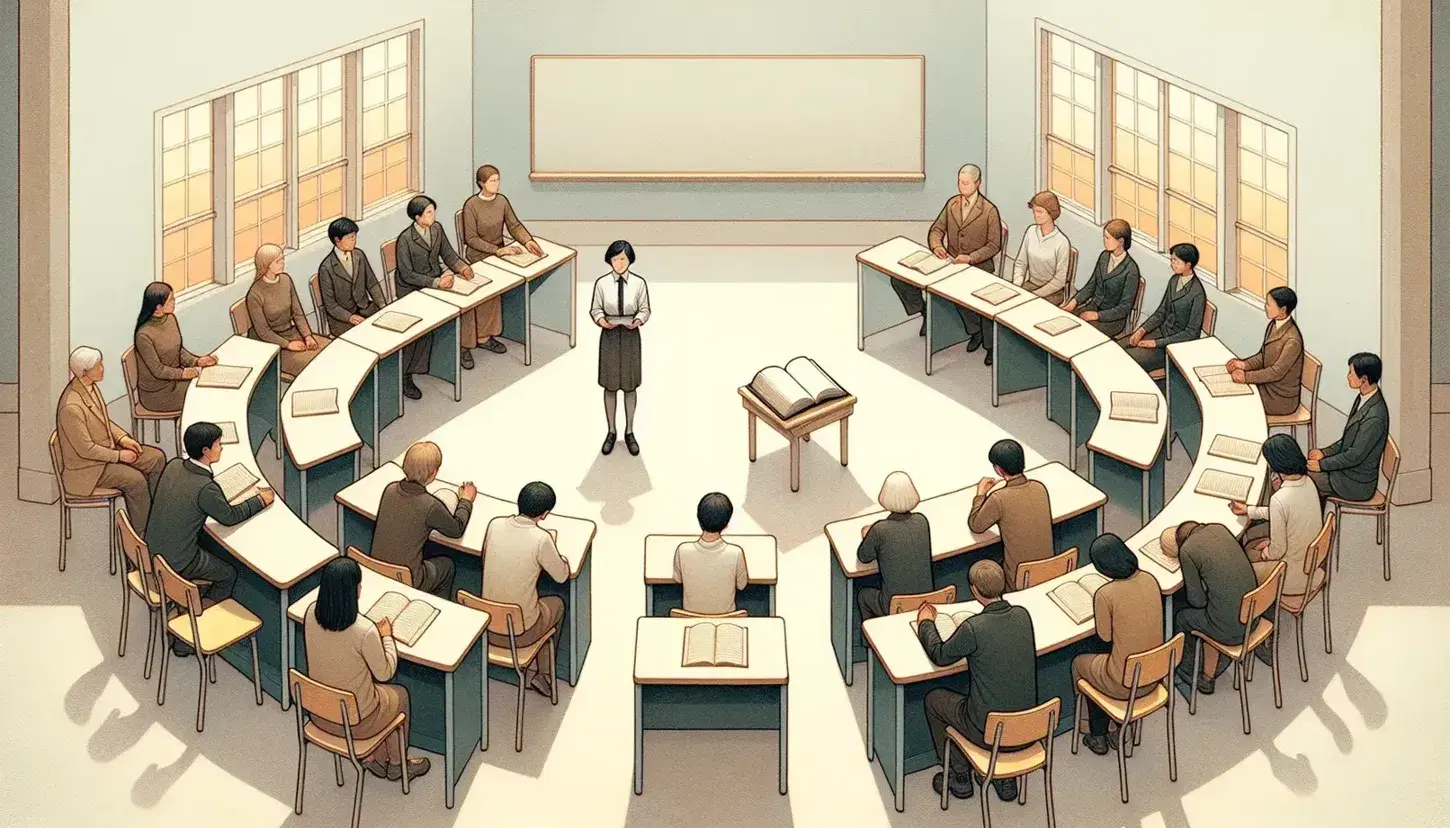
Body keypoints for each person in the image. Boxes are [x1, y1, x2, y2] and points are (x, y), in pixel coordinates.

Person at [145, 421, 273, 655]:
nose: (221, 448)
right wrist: (260, 500)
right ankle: (191, 630)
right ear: (205, 451)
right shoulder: (205, 487)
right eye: (218, 444)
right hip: (179, 561)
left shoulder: (174, 465)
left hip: (154, 551)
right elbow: (230, 516)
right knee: (228, 574)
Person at [916, 560, 1037, 801]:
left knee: (934, 700)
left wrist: (926, 623)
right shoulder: (1023, 615)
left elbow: (940, 655)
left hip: (988, 731)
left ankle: (958, 776)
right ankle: (1005, 780)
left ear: (974, 590)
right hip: (1028, 727)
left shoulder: (974, 628)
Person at [304, 557, 430, 782]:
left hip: (319, 713)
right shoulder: (364, 631)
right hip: (354, 723)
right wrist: (387, 636)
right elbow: (385, 671)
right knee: (398, 696)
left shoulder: (311, 613)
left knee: (371, 693)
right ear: (354, 591)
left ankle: (375, 757)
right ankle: (398, 764)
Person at [1230, 434, 1321, 664]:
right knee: (1252, 540)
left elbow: (1277, 551)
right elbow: (1283, 513)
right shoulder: (1308, 483)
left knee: (1243, 567)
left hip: (1291, 574)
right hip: (1309, 565)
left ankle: (1260, 634)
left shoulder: (1281, 499)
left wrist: (1263, 552)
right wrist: (1250, 510)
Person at [1071, 534, 1164, 755]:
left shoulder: (1105, 594)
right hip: (1155, 673)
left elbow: (1104, 636)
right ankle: (1114, 728)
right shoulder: (1150, 579)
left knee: (1080, 664)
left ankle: (1096, 732)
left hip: (1125, 683)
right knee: (1103, 659)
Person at [55, 347, 166, 530]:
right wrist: (119, 456)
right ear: (84, 372)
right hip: (89, 470)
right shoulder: (71, 407)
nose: (102, 368)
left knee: (156, 458)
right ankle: (143, 535)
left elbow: (104, 421)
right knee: (135, 480)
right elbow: (86, 450)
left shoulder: (90, 387)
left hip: (107, 452)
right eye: (98, 366)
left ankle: (156, 518)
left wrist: (122, 438)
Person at [481, 481, 570, 697]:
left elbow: (484, 559)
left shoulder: (494, 524)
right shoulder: (541, 539)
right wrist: (563, 560)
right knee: (557, 604)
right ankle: (543, 675)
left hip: (485, 627)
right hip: (517, 634)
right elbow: (561, 576)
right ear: (545, 515)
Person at [915, 164, 1004, 363]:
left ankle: (990, 345)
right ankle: (974, 331)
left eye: (966, 183)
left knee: (978, 300)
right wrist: (937, 246)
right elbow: (936, 230)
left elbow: (994, 245)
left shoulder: (989, 211)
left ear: (977, 183)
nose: (961, 186)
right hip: (952, 263)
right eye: (959, 182)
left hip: (979, 267)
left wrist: (971, 258)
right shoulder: (952, 204)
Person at [394, 195, 478, 399]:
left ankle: (460, 349)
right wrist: (436, 283)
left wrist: (462, 267)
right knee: (423, 329)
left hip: (435, 282)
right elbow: (407, 274)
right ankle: (406, 375)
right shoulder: (405, 239)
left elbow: (448, 253)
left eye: (433, 211)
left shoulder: (437, 228)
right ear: (417, 217)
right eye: (429, 212)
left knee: (465, 304)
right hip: (412, 289)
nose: (433, 215)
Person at [1159, 521, 1257, 694]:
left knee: (1182, 618)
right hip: (1252, 617)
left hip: (1230, 630)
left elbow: (1197, 601)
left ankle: (1190, 672)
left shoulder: (1187, 550)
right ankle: (1207, 670)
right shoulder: (1219, 528)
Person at [371, 441, 473, 600]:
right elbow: (456, 529)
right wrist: (466, 500)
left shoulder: (390, 489)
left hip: (376, 568)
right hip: (407, 578)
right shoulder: (430, 505)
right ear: (434, 473)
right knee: (447, 566)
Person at [460, 164, 541, 355]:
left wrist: (528, 241)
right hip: (479, 257)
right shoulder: (471, 206)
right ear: (481, 183)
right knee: (484, 293)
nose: (496, 184)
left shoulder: (502, 201)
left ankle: (486, 336)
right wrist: (497, 251)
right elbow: (471, 239)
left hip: (500, 253)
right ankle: (470, 342)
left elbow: (514, 225)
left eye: (498, 180)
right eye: (492, 181)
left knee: (504, 289)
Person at [589, 240, 651, 457]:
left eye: (623, 258)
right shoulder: (602, 283)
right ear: (610, 261)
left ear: (630, 259)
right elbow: (595, 309)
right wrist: (602, 321)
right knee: (610, 386)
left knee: (630, 386)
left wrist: (639, 320)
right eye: (615, 259)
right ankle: (611, 431)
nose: (619, 263)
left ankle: (630, 431)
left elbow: (645, 309)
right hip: (610, 336)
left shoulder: (639, 283)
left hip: (631, 336)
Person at [968, 439, 1054, 588]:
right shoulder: (1040, 487)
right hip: (1051, 570)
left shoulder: (998, 498)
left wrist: (980, 494)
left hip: (1020, 580)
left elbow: (976, 525)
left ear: (999, 470)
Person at [1307, 352, 1390, 504]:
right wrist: (1324, 453)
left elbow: (1355, 455)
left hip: (1355, 483)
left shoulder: (1375, 416)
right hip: (1347, 473)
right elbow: (1347, 441)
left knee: (1303, 477)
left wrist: (1322, 465)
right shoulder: (1363, 398)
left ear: (1364, 379)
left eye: (1351, 373)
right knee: (1303, 471)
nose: (1348, 376)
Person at [856, 471, 934, 622]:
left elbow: (863, 556)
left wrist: (868, 534)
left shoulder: (879, 529)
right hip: (926, 602)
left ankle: (870, 642)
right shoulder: (922, 520)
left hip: (894, 605)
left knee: (863, 596)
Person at [246, 244, 331, 376]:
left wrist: (307, 336)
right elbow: (263, 332)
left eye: (283, 259)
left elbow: (297, 313)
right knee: (312, 365)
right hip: (272, 344)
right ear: (267, 264)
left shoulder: (286, 280)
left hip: (291, 332)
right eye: (278, 261)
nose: (283, 263)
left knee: (330, 349)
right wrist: (287, 344)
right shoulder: (255, 294)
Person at [1120, 242, 1207, 372]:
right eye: (1172, 260)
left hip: (1173, 345)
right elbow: (1161, 312)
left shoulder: (1197, 293)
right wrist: (1142, 330)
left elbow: (1191, 333)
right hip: (1160, 332)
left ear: (1188, 265)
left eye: (1176, 261)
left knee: (1128, 360)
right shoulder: (1174, 280)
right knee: (1118, 347)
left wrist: (1156, 343)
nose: (1172, 264)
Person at [132, 282, 218, 412]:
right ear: (158, 308)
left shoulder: (170, 319)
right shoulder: (144, 335)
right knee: (203, 395)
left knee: (211, 385)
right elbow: (158, 371)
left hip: (176, 381)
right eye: (171, 300)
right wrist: (183, 374)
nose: (174, 302)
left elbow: (178, 350)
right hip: (158, 394)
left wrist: (197, 361)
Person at [1225, 286, 1305, 416]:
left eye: (1269, 304)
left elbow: (1276, 373)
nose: (1265, 307)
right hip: (1267, 387)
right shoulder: (1274, 324)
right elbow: (1263, 356)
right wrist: (1244, 364)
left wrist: (1246, 377)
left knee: (1236, 401)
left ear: (1283, 310)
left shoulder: (1292, 341)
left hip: (1279, 397)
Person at [672, 492, 749, 615]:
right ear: (726, 523)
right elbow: (742, 585)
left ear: (698, 517)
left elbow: (677, 579)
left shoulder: (682, 550)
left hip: (691, 623)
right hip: (728, 623)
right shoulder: (736, 553)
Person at [1064, 219, 1139, 337]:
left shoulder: (1131, 270)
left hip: (1111, 320)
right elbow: (1091, 285)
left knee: (1082, 334)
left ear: (1120, 241)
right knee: (1066, 321)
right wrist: (1074, 302)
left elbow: (1124, 309)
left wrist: (1097, 316)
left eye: (1107, 238)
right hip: (1092, 307)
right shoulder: (1104, 256)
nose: (1104, 241)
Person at [316, 217, 387, 337]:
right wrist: (349, 317)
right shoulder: (326, 268)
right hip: (343, 320)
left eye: (354, 237)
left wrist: (383, 306)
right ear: (337, 240)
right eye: (350, 238)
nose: (354, 241)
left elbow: (372, 283)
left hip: (366, 309)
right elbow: (331, 305)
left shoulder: (359, 255)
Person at [1009, 191, 1073, 306]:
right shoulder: (1031, 231)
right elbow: (1020, 263)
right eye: (1034, 211)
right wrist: (1017, 286)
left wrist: (1036, 294)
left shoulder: (1062, 242)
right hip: (1031, 285)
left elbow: (1059, 281)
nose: (1035, 215)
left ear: (1051, 213)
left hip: (1052, 293)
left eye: (1039, 212)